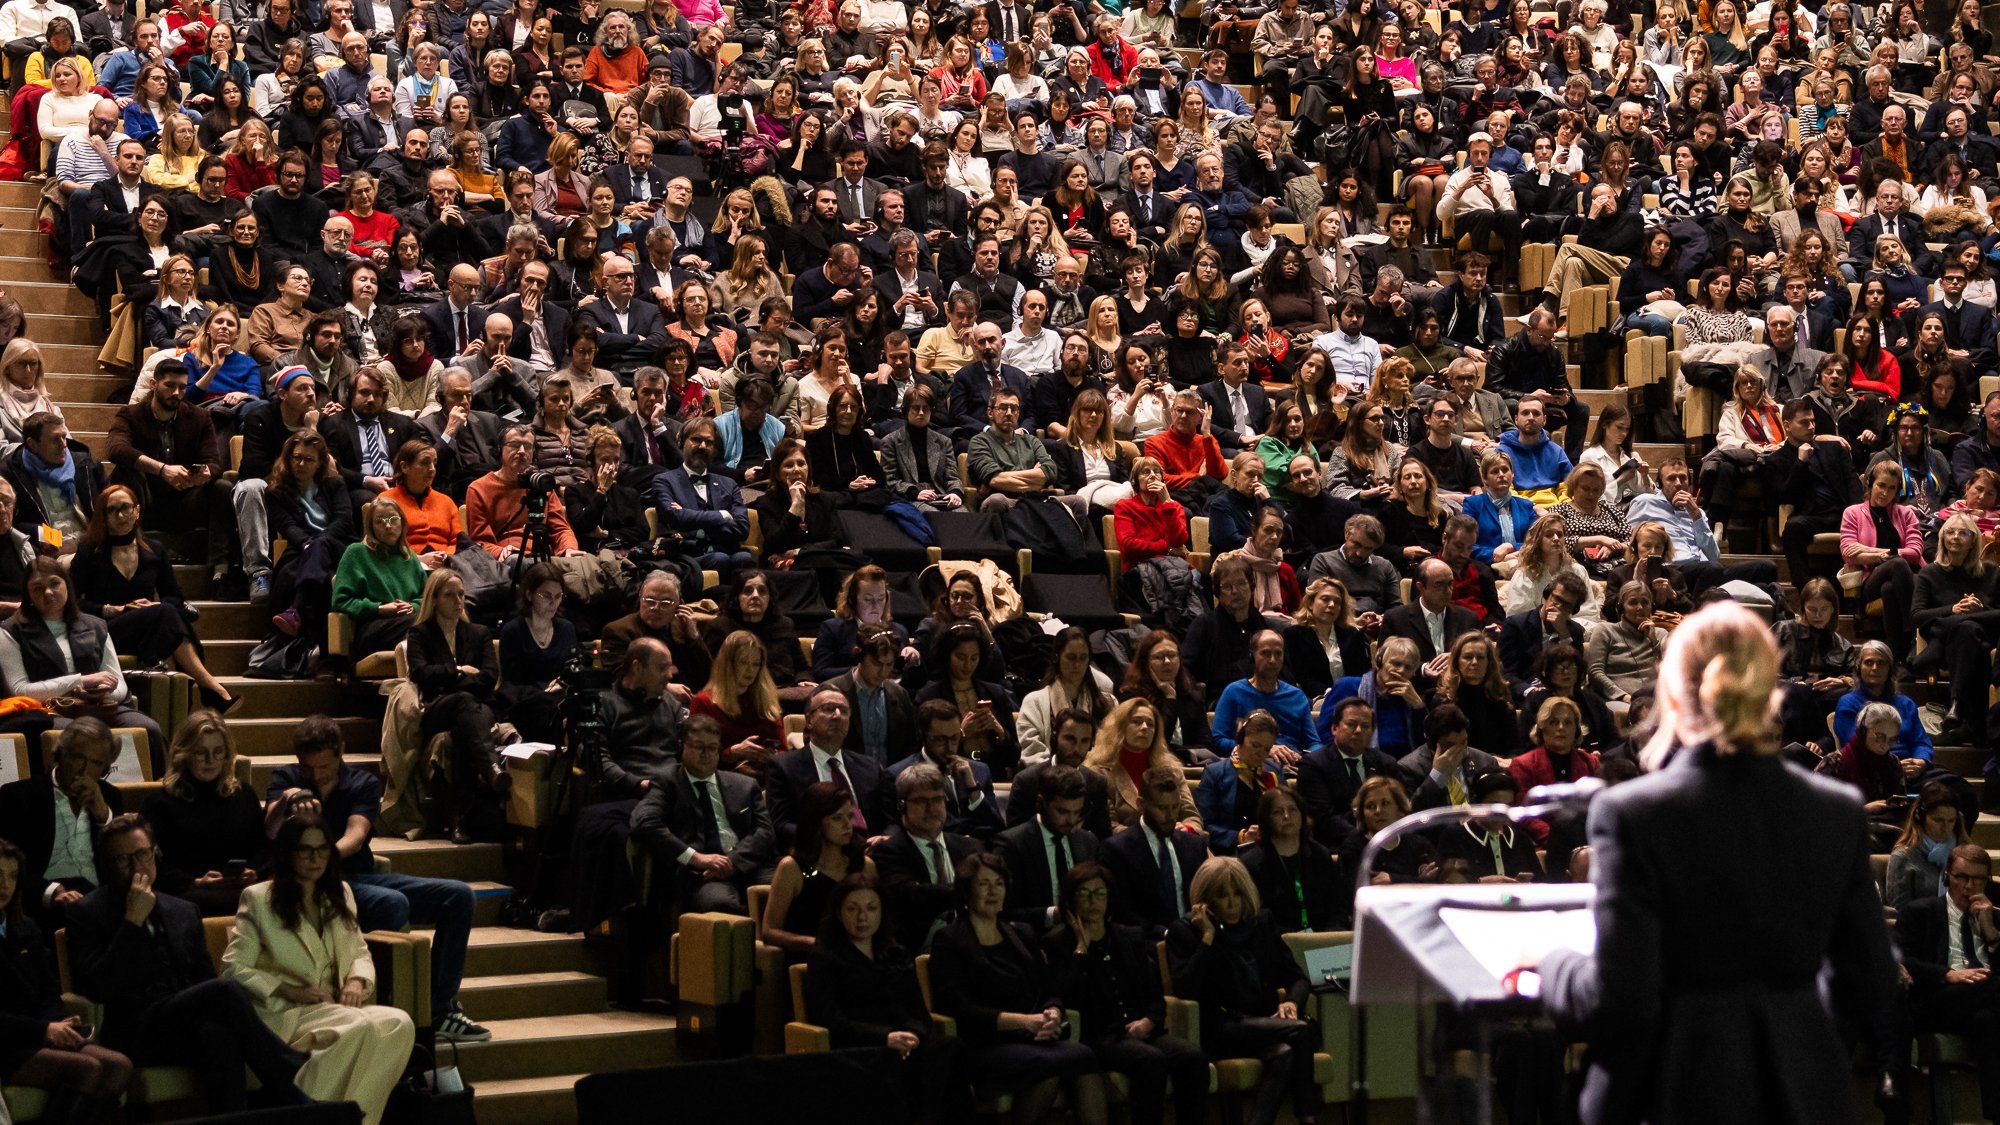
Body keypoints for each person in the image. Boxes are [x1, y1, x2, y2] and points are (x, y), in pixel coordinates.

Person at [1533, 603, 1899, 1122]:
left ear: (1672, 695)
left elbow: (1623, 998)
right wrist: (1789, 1010)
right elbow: (1870, 980)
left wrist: (1554, 965)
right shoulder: (1835, 812)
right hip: (1805, 1093)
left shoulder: (1633, 813)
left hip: (1674, 1087)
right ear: (1770, 691)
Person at [66, 812, 310, 1113]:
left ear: (155, 853)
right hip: (135, 1032)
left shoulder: (183, 910)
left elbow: (203, 979)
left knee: (219, 1036)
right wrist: (132, 922)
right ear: (108, 864)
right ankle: (293, 1079)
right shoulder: (86, 913)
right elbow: (98, 986)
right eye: (123, 859)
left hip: (183, 1024)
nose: (136, 866)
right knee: (225, 990)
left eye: (142, 854)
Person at [261, 716, 486, 1042]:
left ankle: (438, 1010)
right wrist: (288, 798)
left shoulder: (361, 783)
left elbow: (355, 836)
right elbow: (269, 830)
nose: (317, 775)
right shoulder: (286, 778)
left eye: (324, 766)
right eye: (309, 768)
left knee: (459, 895)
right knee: (392, 903)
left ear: (341, 751)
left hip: (356, 875)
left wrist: (320, 855)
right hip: (309, 882)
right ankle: (384, 1003)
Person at [221, 813, 417, 1125]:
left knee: (399, 1023)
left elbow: (359, 951)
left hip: (335, 1006)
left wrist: (356, 981)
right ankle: (308, 1113)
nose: (315, 858)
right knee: (359, 1026)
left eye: (322, 849)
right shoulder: (259, 899)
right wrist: (289, 990)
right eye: (305, 850)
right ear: (288, 853)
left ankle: (354, 1120)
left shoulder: (341, 893)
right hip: (288, 1011)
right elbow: (232, 968)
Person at [927, 852, 1109, 1122]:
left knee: (1082, 1057)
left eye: (999, 884)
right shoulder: (949, 940)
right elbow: (959, 1009)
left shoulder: (1021, 933)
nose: (993, 891)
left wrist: (1053, 1013)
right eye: (984, 884)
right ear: (967, 891)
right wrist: (1024, 1021)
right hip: (984, 1044)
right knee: (1055, 1065)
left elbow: (1049, 990)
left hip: (1031, 1038)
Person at [1165, 856, 1320, 1125]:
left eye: (1237, 893)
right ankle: (1309, 1119)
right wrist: (1208, 938)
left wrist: (1292, 1003)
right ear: (1205, 900)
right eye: (1222, 895)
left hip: (1265, 1024)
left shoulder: (1261, 923)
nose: (1232, 903)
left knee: (1284, 1053)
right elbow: (1184, 988)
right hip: (1219, 1028)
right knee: (1301, 1031)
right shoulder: (1185, 932)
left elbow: (1298, 979)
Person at [802, 873, 964, 1120]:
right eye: (852, 909)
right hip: (860, 1046)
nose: (862, 917)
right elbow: (829, 1019)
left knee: (950, 1049)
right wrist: (885, 1037)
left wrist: (913, 1035)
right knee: (907, 1069)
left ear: (882, 912)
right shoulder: (825, 957)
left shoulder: (896, 953)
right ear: (839, 913)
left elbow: (919, 1011)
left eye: (871, 908)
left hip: (904, 1042)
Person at [0, 833, 134, 1123]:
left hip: (38, 1032)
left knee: (119, 1065)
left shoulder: (26, 928)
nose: (5, 885)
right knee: (88, 1068)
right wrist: (44, 1030)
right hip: (8, 1041)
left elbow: (49, 992)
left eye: (12, 876)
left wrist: (59, 1023)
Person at [0, 558, 163, 763]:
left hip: (97, 705)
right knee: (77, 735)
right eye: (37, 588)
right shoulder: (10, 631)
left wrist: (99, 693)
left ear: (67, 585)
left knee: (149, 729)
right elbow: (20, 690)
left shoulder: (96, 625)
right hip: (46, 711)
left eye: (54, 583)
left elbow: (120, 685)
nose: (48, 592)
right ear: (28, 595)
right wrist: (80, 681)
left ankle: (156, 783)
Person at [1896, 842, 2000, 1125]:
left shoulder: (1996, 918)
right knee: (1994, 987)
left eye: (1978, 879)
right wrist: (1946, 973)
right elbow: (1901, 959)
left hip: (1984, 1001)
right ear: (1947, 877)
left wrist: (1991, 932)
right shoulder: (1921, 911)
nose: (1969, 886)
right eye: (1961, 877)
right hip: (1938, 999)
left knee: (1988, 1020)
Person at [139, 711, 266, 917]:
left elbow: (261, 847)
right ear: (184, 753)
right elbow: (151, 864)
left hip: (240, 888)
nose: (210, 760)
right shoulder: (160, 802)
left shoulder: (243, 795)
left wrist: (252, 871)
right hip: (188, 894)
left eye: (218, 752)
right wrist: (195, 881)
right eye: (201, 752)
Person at [1882, 780, 1969, 912]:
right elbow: (1901, 911)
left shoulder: (1964, 852)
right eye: (1938, 820)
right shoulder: (1903, 856)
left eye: (1951, 821)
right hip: (1921, 923)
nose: (1945, 828)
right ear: (1920, 817)